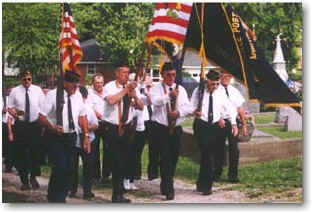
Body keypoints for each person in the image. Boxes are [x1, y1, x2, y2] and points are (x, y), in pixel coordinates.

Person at [38, 70, 89, 203]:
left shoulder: (77, 96)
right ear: (65, 82)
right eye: (73, 84)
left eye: (77, 84)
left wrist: (86, 135)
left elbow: (82, 116)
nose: (76, 87)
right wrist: (52, 127)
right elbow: (41, 116)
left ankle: (60, 194)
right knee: (60, 167)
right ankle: (55, 197)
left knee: (70, 168)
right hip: (55, 137)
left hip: (70, 137)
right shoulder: (52, 95)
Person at [149, 62, 192, 200]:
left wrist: (178, 113)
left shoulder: (182, 90)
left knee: (173, 157)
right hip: (160, 127)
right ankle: (169, 188)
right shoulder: (156, 89)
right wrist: (169, 96)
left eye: (174, 74)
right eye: (168, 75)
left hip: (176, 128)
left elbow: (188, 108)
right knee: (166, 157)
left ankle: (165, 180)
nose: (171, 77)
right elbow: (154, 101)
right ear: (162, 75)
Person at [191, 69, 238, 195]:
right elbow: (191, 106)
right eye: (213, 84)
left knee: (209, 155)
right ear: (207, 81)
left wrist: (231, 122)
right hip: (201, 125)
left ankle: (204, 185)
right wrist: (195, 111)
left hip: (215, 126)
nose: (215, 87)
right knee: (206, 154)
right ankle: (204, 184)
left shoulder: (220, 92)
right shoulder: (199, 91)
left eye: (217, 84)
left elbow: (228, 108)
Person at [103, 59, 144, 203]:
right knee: (116, 161)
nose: (127, 76)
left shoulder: (131, 88)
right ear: (117, 73)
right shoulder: (109, 86)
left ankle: (119, 194)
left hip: (126, 128)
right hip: (112, 127)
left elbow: (141, 106)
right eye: (124, 72)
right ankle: (116, 194)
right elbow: (111, 101)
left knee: (124, 161)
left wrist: (134, 95)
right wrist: (126, 90)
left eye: (128, 73)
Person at [7, 71, 45, 190]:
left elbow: (43, 107)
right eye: (24, 79)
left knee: (35, 153)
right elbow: (9, 108)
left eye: (29, 79)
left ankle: (33, 177)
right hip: (21, 125)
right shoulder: (15, 91)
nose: (27, 82)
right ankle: (24, 180)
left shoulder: (37, 90)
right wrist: (16, 114)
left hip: (35, 125)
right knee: (21, 153)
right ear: (20, 80)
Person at [69, 86, 98, 200]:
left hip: (88, 140)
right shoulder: (71, 108)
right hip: (74, 141)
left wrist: (85, 128)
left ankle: (87, 192)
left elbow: (96, 124)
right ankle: (72, 189)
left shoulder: (88, 108)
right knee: (72, 166)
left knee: (88, 167)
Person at [218, 72, 247, 183]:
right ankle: (217, 173)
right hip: (219, 121)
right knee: (218, 148)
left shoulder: (234, 91)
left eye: (229, 76)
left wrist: (244, 125)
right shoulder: (216, 89)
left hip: (232, 123)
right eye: (224, 76)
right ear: (220, 76)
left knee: (234, 149)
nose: (227, 78)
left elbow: (240, 108)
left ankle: (233, 175)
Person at [88, 73, 112, 185]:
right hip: (95, 124)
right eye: (97, 82)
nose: (99, 85)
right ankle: (94, 176)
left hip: (107, 124)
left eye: (101, 82)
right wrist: (100, 115)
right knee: (94, 150)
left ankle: (106, 176)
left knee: (108, 150)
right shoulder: (89, 93)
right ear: (93, 83)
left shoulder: (107, 92)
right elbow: (91, 108)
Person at [2, 87, 14, 173]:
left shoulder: (13, 100)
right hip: (3, 123)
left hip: (13, 124)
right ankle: (7, 164)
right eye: (9, 91)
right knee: (6, 145)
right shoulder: (3, 99)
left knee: (11, 146)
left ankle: (9, 165)